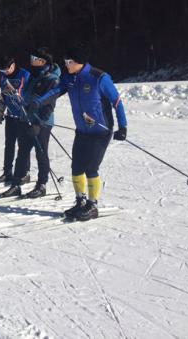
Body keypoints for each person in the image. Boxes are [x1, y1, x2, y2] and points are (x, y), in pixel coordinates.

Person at [32, 46, 127, 221]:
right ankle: (80, 202)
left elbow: (117, 102)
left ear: (79, 62)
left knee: (91, 168)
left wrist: (123, 127)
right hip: (82, 131)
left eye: (69, 62)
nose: (66, 65)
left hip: (100, 131)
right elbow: (56, 91)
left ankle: (92, 205)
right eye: (65, 62)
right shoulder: (69, 78)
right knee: (76, 168)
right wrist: (38, 102)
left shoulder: (99, 78)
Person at [0, 48, 60, 198]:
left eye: (34, 58)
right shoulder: (33, 76)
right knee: (22, 152)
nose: (31, 61)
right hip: (26, 119)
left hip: (42, 122)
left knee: (41, 152)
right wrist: (16, 96)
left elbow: (50, 104)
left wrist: (38, 123)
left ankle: (42, 185)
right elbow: (26, 96)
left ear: (42, 61)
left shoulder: (52, 78)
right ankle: (16, 184)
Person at [0, 56, 31, 185]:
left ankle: (24, 173)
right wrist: (0, 111)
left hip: (23, 116)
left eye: (7, 70)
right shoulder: (4, 77)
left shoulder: (25, 75)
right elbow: (3, 96)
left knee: (23, 147)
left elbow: (30, 94)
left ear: (13, 65)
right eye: (3, 71)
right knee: (9, 145)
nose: (5, 73)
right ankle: (7, 172)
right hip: (10, 116)